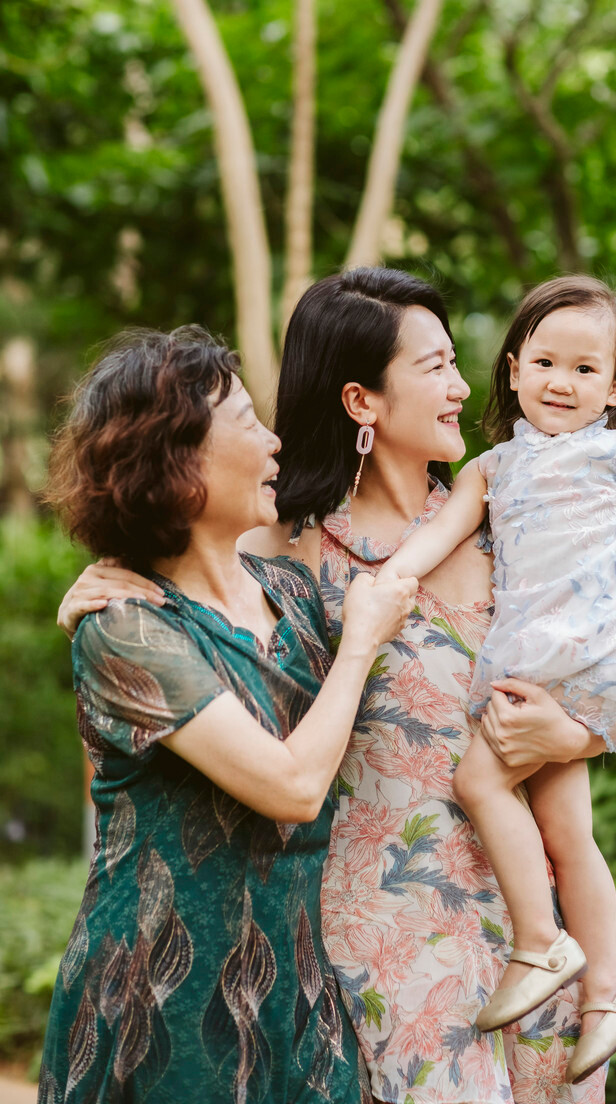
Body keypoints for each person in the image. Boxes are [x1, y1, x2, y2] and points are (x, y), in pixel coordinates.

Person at [58, 270, 609, 1103]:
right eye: (435, 367)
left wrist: (582, 736)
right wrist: (92, 594)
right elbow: (198, 616)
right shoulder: (295, 558)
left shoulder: (516, 522)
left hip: (532, 928)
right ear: (362, 401)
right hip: (387, 938)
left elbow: (605, 666)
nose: (465, 387)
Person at [41, 325, 416, 1103]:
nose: (274, 442)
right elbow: (290, 787)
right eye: (247, 422)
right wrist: (358, 651)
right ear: (178, 461)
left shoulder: (297, 594)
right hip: (165, 1016)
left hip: (300, 1003)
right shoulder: (127, 629)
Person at [377, 275, 616, 1083]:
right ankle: (608, 989)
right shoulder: (493, 467)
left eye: (587, 371)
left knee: (479, 780)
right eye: (546, 361)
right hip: (544, 669)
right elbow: (436, 534)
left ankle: (542, 943)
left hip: (580, 663)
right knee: (568, 834)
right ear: (511, 370)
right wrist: (388, 578)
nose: (562, 382)